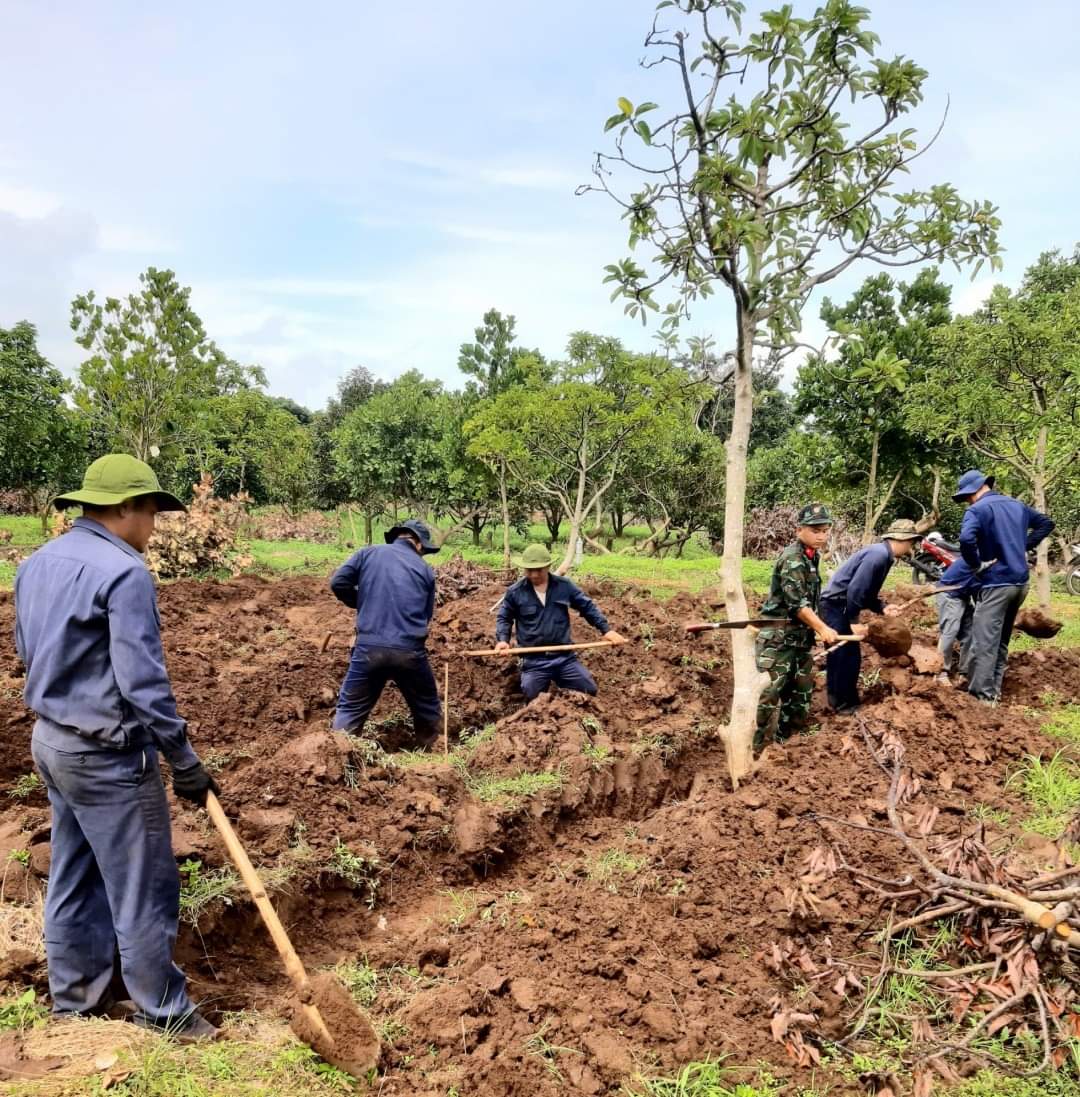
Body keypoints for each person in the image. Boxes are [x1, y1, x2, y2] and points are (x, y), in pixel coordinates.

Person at [14, 454, 219, 1040]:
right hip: (106, 758)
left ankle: (75, 1000)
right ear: (125, 508)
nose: (154, 527)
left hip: (51, 741)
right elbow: (143, 683)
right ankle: (166, 1011)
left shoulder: (38, 562)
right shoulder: (125, 573)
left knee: (75, 873)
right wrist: (183, 760)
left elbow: (26, 649)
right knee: (143, 885)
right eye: (151, 512)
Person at [330, 519, 443, 746]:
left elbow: (338, 582)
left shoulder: (367, 553)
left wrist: (362, 601)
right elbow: (426, 614)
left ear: (396, 537)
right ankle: (434, 749)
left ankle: (338, 752)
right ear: (419, 544)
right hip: (409, 650)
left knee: (351, 707)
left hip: (369, 648)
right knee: (426, 703)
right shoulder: (425, 570)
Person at [953, 469, 1054, 702]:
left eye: (967, 495)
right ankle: (993, 690)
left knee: (984, 640)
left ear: (976, 490)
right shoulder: (1017, 506)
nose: (967, 500)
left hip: (996, 583)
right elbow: (1046, 523)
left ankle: (982, 697)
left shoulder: (976, 510)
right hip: (1020, 584)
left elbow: (966, 540)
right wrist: (1023, 546)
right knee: (1000, 640)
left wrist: (976, 564)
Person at [753, 504, 840, 753]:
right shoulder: (792, 558)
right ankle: (755, 750)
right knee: (767, 697)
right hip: (779, 642)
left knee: (800, 698)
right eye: (815, 530)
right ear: (799, 529)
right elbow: (798, 605)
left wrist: (821, 628)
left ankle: (788, 749)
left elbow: (811, 602)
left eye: (825, 530)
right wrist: (822, 628)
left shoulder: (812, 556)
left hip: (800, 640)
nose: (821, 535)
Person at [494, 544, 626, 699]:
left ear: (548, 566)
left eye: (539, 570)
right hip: (534, 661)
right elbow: (504, 617)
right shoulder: (515, 592)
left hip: (563, 657)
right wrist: (503, 640)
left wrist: (606, 630)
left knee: (588, 690)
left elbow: (587, 607)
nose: (534, 575)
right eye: (530, 570)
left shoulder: (564, 586)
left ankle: (563, 694)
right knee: (531, 695)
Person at [818, 519, 921, 713]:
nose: (910, 547)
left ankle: (841, 701)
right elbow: (855, 591)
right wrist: (853, 621)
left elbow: (867, 593)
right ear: (904, 539)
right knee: (844, 656)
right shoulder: (879, 556)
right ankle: (843, 706)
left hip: (839, 604)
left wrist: (882, 607)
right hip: (836, 605)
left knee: (845, 655)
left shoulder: (883, 555)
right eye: (911, 542)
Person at [935, 557, 976, 681]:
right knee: (950, 631)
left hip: (964, 595)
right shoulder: (983, 555)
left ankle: (964, 672)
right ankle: (941, 672)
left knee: (970, 633)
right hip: (949, 594)